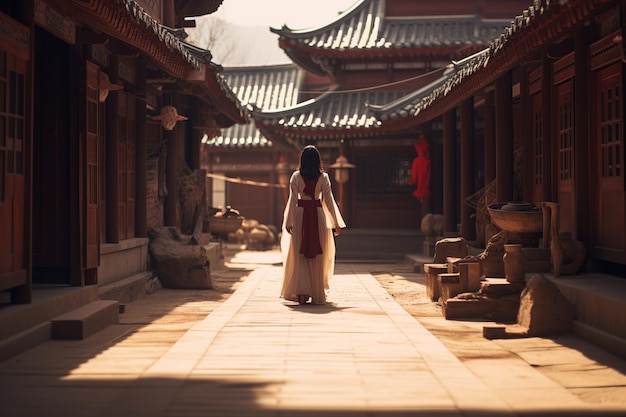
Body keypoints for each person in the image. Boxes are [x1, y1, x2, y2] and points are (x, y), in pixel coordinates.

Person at [280, 145, 346, 305]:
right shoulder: (324, 178)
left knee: (299, 255)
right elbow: (328, 201)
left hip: (300, 214)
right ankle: (316, 291)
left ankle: (301, 293)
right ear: (318, 161)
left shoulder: (296, 177)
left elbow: (292, 200)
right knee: (318, 255)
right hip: (318, 215)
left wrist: (288, 221)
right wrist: (336, 222)